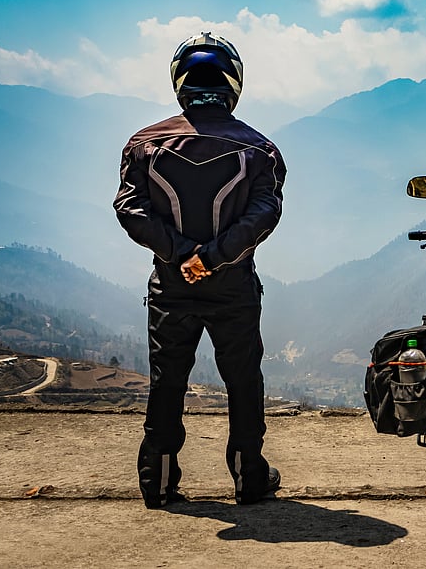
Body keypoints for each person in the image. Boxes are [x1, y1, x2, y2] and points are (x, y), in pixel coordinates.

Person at [113, 32, 286, 508]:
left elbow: (131, 209)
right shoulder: (260, 150)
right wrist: (210, 257)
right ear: (234, 83)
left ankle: (158, 480)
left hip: (170, 285)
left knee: (167, 380)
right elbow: (263, 215)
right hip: (233, 285)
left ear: (179, 83)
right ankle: (249, 477)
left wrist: (183, 254)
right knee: (243, 380)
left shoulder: (143, 144)